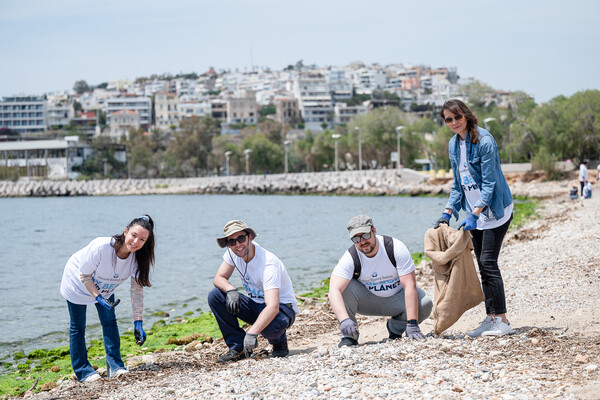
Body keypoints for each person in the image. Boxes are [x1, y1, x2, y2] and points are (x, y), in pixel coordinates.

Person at [434, 99, 515, 337]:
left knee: (489, 262)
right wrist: (448, 211)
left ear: (466, 116)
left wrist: (476, 213)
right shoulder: (453, 144)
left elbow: (489, 183)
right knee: (481, 263)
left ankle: (502, 320)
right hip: (474, 213)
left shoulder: (484, 141)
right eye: (448, 119)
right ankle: (491, 318)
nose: (454, 122)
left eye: (457, 117)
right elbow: (459, 184)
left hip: (494, 211)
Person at [60, 215, 155, 382]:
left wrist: (138, 322)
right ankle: (84, 371)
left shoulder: (138, 258)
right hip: (78, 281)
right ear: (125, 232)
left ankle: (116, 366)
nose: (135, 242)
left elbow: (137, 291)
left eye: (142, 239)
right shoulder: (102, 246)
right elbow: (84, 274)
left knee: (110, 321)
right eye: (133, 235)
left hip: (105, 285)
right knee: (78, 327)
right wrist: (98, 297)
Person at [328, 215, 433, 347]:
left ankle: (396, 329)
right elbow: (333, 291)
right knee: (342, 287)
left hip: (396, 299)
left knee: (425, 303)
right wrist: (344, 320)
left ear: (374, 231)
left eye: (365, 235)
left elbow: (409, 286)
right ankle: (349, 336)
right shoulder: (350, 257)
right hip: (367, 301)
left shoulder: (395, 247)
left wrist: (412, 323)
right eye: (356, 238)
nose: (362, 241)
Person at [208, 220, 298, 362]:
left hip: (282, 309)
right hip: (256, 305)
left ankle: (279, 343)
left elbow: (273, 307)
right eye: (231, 242)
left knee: (274, 325)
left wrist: (252, 333)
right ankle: (237, 346)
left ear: (250, 237)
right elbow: (219, 278)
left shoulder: (268, 263)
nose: (237, 244)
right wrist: (231, 290)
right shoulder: (232, 254)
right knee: (216, 296)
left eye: (241, 238)